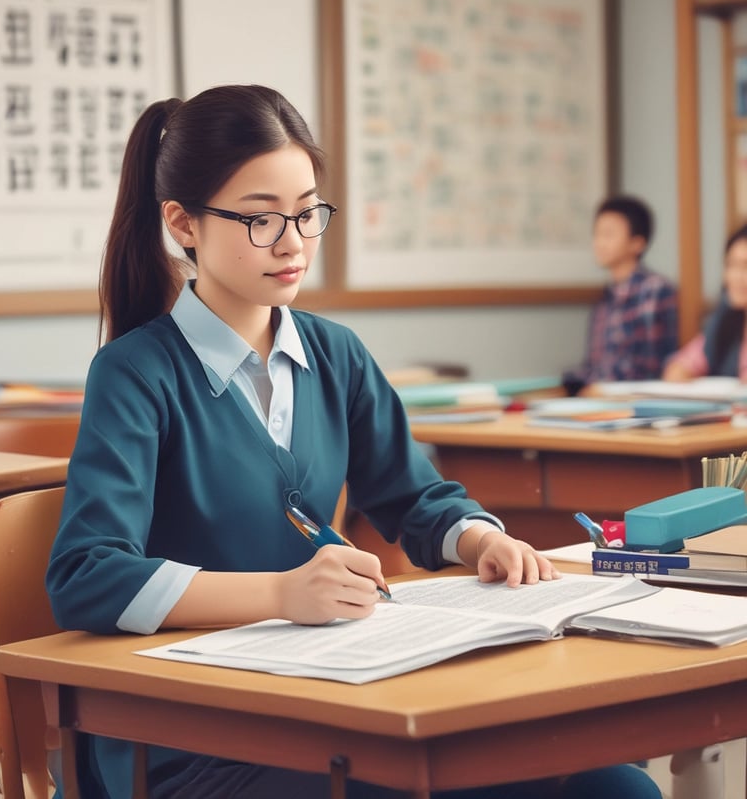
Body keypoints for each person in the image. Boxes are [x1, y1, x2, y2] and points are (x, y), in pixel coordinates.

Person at [45, 85, 662, 799]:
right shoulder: (135, 372)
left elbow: (417, 495)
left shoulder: (335, 355)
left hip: (334, 700)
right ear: (183, 223)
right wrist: (279, 593)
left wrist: (479, 541)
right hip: (197, 737)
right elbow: (86, 575)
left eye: (308, 213)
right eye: (260, 219)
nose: (293, 242)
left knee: (612, 786)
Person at [562, 195, 679, 394]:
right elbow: (594, 363)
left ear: (637, 243)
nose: (599, 243)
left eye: (608, 235)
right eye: (597, 234)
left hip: (636, 399)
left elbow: (652, 367)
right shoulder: (605, 299)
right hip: (599, 397)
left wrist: (596, 386)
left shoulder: (655, 289)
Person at [663, 223, 747, 380]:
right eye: (731, 265)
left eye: (746, 266)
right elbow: (680, 365)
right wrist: (681, 371)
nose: (736, 277)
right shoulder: (726, 318)